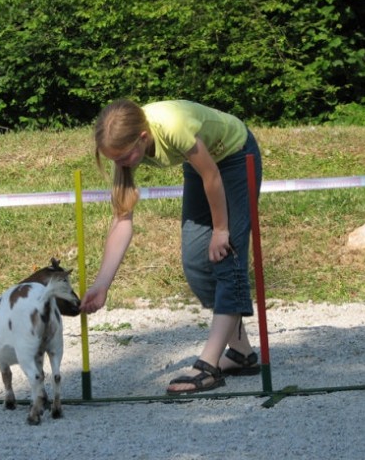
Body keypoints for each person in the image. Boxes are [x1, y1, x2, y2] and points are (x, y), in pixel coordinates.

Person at [80, 99, 262, 394]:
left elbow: (212, 176)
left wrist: (221, 229)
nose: (119, 164)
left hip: (235, 155)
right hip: (199, 165)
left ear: (142, 138)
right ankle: (241, 354)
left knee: (227, 258)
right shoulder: (124, 151)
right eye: (113, 159)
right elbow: (122, 221)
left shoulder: (172, 127)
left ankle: (209, 366)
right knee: (196, 264)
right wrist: (103, 283)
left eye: (123, 157)